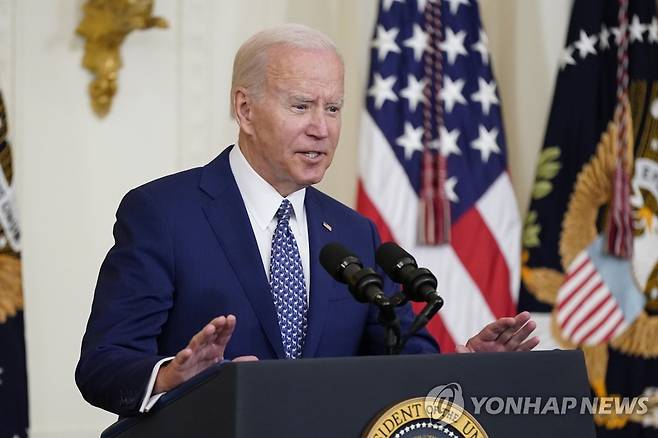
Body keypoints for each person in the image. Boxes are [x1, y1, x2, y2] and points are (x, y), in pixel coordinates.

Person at [75, 24, 539, 417]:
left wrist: (467, 366)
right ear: (245, 109)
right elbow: (102, 364)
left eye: (332, 108)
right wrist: (174, 376)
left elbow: (398, 363)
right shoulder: (164, 213)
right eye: (301, 106)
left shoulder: (355, 233)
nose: (322, 127)